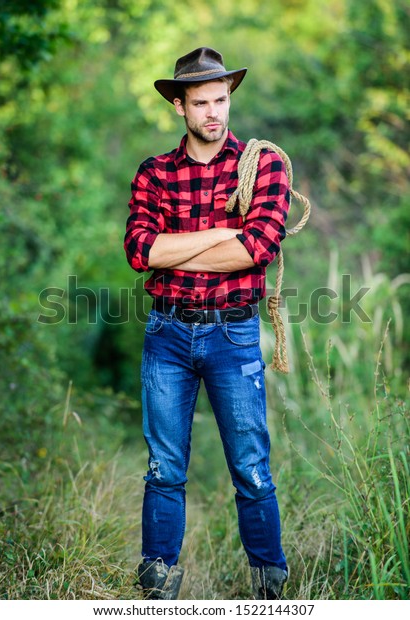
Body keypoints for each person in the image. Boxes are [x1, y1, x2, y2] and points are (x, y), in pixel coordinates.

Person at [124, 47, 290, 600]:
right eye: (201, 102)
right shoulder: (154, 172)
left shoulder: (262, 163)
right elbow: (140, 250)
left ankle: (271, 591)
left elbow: (261, 245)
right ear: (179, 106)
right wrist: (223, 235)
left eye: (221, 99)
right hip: (167, 335)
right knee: (164, 467)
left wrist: (176, 251)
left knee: (250, 466)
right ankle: (158, 589)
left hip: (233, 332)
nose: (214, 112)